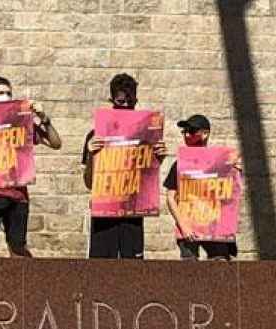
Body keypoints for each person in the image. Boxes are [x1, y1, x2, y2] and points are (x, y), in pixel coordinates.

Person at [0, 76, 61, 257]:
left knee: (18, 248)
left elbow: (55, 143)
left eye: (8, 93)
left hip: (16, 195)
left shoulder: (20, 120)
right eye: (0, 93)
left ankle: (21, 284)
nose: (5, 96)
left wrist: (43, 118)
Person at [83, 73, 167, 259]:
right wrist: (91, 155)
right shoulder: (96, 135)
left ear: (136, 100)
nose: (127, 106)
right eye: (121, 102)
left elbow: (148, 177)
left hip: (133, 212)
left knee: (133, 268)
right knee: (101, 267)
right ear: (111, 100)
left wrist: (158, 159)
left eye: (131, 101)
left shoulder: (145, 135)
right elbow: (89, 183)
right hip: (105, 211)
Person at [164, 114, 238, 260]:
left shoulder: (221, 163)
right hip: (189, 225)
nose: (186, 135)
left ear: (205, 134)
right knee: (189, 269)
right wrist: (183, 225)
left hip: (214, 225)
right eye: (184, 131)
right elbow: (170, 197)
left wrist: (236, 171)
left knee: (220, 266)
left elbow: (231, 195)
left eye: (191, 131)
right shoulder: (179, 164)